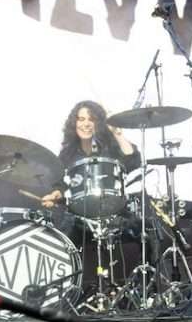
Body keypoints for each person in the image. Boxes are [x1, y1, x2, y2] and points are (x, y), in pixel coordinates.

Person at [41, 100, 144, 295]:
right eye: (81, 119)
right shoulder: (68, 153)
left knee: (145, 230)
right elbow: (60, 184)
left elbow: (134, 160)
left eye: (91, 119)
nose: (86, 124)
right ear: (74, 123)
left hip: (114, 211)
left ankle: (137, 290)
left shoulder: (110, 146)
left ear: (99, 123)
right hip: (82, 215)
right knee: (61, 233)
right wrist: (54, 195)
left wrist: (117, 132)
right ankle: (67, 293)